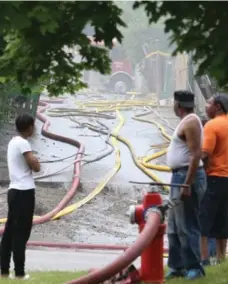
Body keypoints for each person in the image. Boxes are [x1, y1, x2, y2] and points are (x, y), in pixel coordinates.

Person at [166, 90, 206, 280]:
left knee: (187, 225)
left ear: (178, 105)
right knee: (173, 225)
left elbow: (195, 154)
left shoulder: (191, 122)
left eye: (174, 103)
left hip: (185, 177)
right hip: (178, 176)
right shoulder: (185, 121)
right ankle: (177, 266)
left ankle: (194, 267)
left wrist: (187, 184)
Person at [0, 113, 40, 279]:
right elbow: (35, 166)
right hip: (24, 192)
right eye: (33, 126)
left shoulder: (13, 142)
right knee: (21, 233)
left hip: (14, 191)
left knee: (9, 232)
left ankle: (3, 271)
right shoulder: (23, 143)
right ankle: (19, 273)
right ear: (29, 127)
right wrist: (36, 161)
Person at [200, 93, 228, 265]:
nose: (206, 106)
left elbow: (205, 153)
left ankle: (204, 260)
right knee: (224, 220)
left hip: (214, 177)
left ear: (217, 107)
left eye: (209, 103)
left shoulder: (212, 125)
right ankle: (221, 258)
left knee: (204, 219)